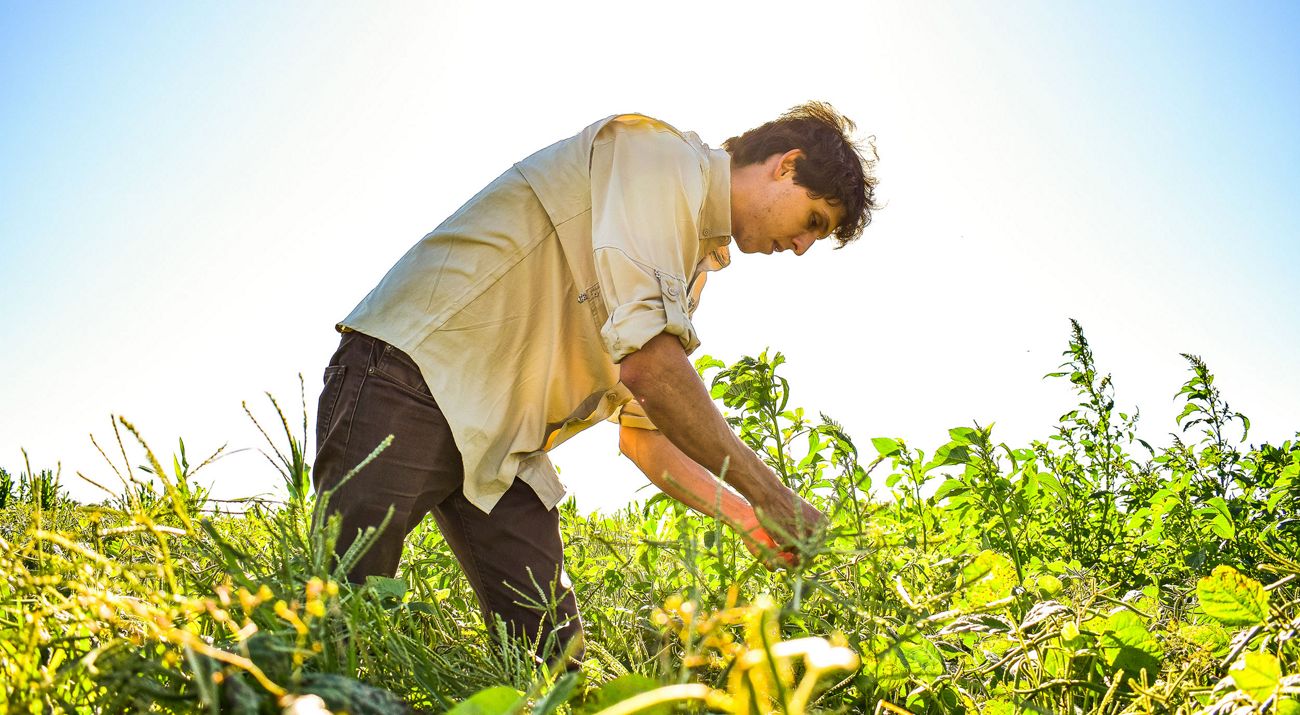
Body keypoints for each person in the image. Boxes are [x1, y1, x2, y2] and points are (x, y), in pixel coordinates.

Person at [312, 102, 879, 662]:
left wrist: (749, 518)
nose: (803, 247)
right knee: (338, 625)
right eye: (813, 221)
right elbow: (650, 369)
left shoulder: (684, 270)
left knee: (557, 666)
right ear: (787, 164)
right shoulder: (657, 158)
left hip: (502, 447)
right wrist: (773, 493)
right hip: (410, 377)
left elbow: (646, 439)